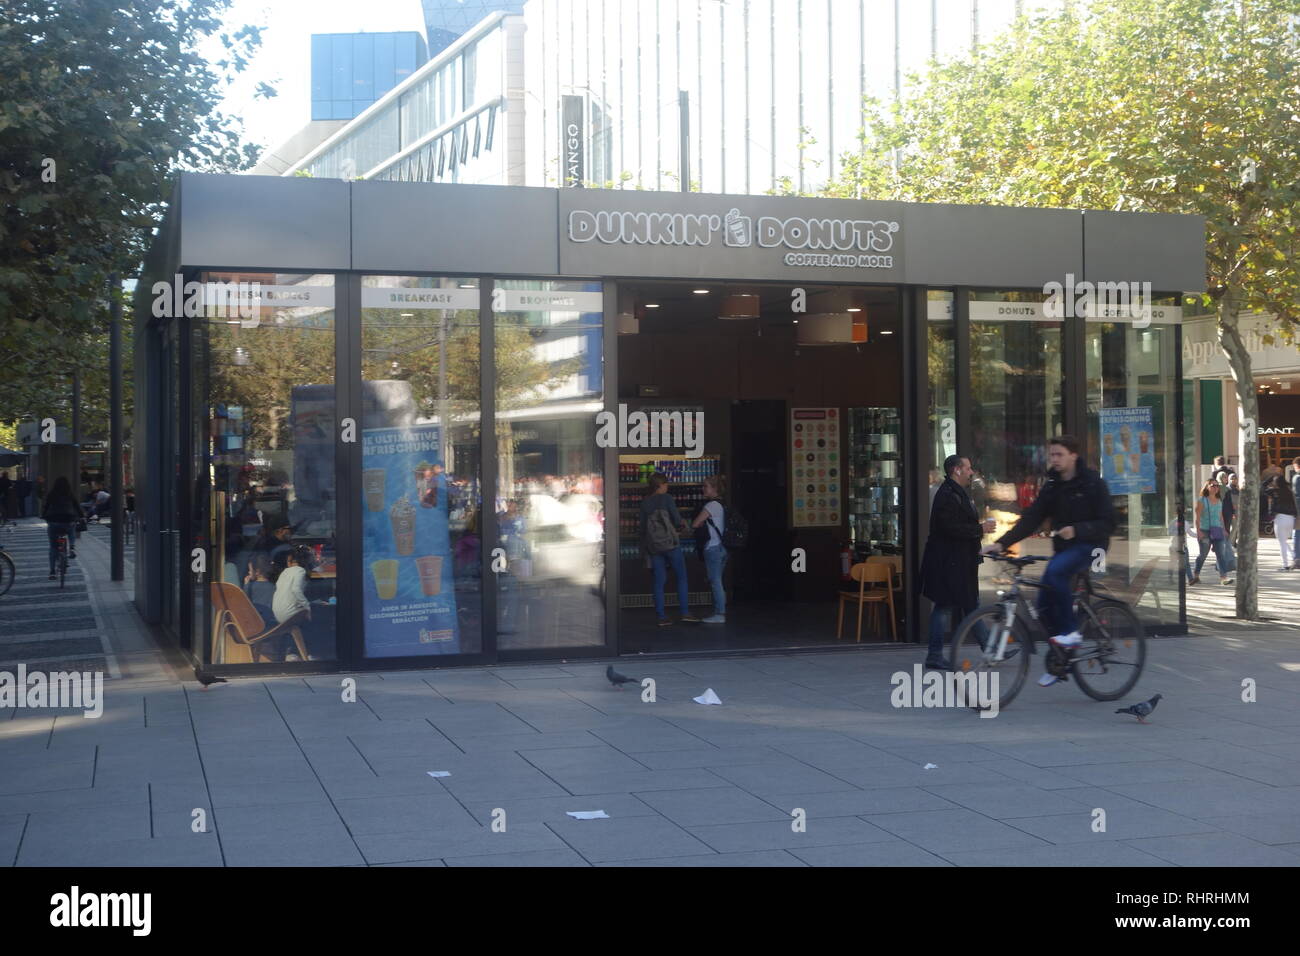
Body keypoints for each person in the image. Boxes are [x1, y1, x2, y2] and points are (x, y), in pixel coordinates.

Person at [981, 435, 1115, 687]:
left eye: (1058, 454)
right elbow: (1032, 517)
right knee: (1043, 605)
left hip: (1090, 545)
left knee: (1054, 574)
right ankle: (1059, 660)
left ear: (1073, 455)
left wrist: (1077, 530)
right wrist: (1002, 542)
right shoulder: (1053, 485)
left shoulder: (1092, 483)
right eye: (1051, 455)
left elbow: (1108, 523)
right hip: (1065, 548)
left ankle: (1070, 634)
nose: (1053, 459)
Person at [920, 455, 996, 670]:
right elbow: (949, 527)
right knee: (944, 606)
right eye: (968, 468)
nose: (972, 472)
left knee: (971, 605)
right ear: (957, 470)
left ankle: (991, 649)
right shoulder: (947, 494)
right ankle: (934, 655)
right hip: (948, 562)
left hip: (959, 561)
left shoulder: (958, 493)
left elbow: (957, 525)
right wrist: (980, 529)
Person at [641, 472, 695, 626]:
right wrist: (682, 527)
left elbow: (643, 529)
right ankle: (684, 612)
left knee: (659, 581)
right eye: (665, 484)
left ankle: (661, 616)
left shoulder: (645, 503)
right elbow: (677, 520)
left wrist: (645, 550)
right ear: (660, 485)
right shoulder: (667, 498)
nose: (667, 486)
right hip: (671, 545)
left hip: (655, 547)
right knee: (682, 577)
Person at [691, 473, 729, 624]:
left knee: (715, 581)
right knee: (718, 580)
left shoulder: (711, 505)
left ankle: (720, 614)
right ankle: (719, 611)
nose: (703, 489)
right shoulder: (723, 504)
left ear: (714, 488)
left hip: (713, 547)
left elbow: (695, 523)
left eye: (705, 486)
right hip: (723, 547)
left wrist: (699, 523)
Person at [271, 544, 314, 661]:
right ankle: (306, 652)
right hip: (289, 613)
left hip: (278, 612)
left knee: (297, 624)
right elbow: (296, 589)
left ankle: (292, 652)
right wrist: (307, 607)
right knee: (314, 615)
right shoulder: (300, 571)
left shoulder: (285, 572)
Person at [1193, 479, 1234, 586]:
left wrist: (1224, 529)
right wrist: (1198, 532)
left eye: (1217, 486)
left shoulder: (1219, 500)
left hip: (1217, 530)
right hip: (1204, 530)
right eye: (1213, 485)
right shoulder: (1202, 500)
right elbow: (1197, 519)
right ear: (1207, 487)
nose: (1216, 487)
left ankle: (1223, 577)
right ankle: (1196, 575)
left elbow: (1221, 516)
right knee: (1203, 554)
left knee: (1221, 554)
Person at [40, 476, 81, 579]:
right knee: (72, 529)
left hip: (54, 521)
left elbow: (46, 506)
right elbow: (76, 506)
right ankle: (71, 547)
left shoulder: (52, 494)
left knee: (53, 547)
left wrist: (43, 515)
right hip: (68, 520)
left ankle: (52, 571)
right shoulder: (70, 494)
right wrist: (82, 516)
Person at [1268, 475, 1297, 570]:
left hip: (1280, 518)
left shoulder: (1275, 492)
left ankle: (1285, 565)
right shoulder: (1290, 492)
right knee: (1284, 541)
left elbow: (1263, 487)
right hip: (1291, 519)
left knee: (1281, 542)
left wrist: (1270, 477)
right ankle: (1294, 557)